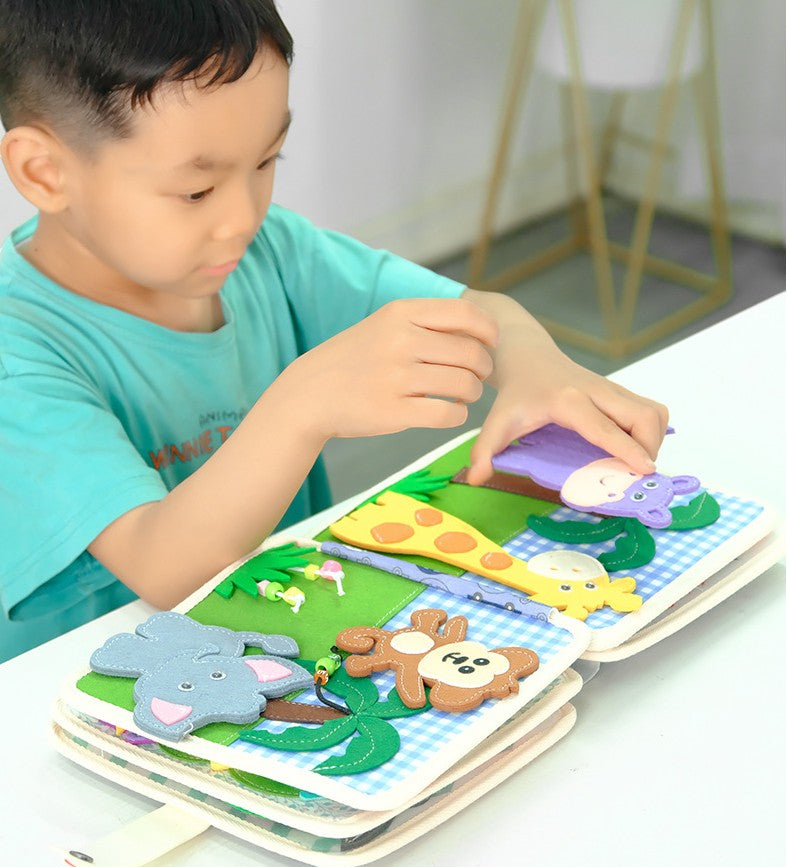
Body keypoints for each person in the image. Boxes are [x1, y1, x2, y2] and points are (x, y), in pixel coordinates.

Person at [0, 0, 668, 662]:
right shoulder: (17, 351)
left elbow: (481, 313)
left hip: (276, 638)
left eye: (266, 161)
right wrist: (302, 404)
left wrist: (539, 372)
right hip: (98, 682)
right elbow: (166, 567)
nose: (243, 217)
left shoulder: (268, 250)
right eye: (196, 191)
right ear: (43, 171)